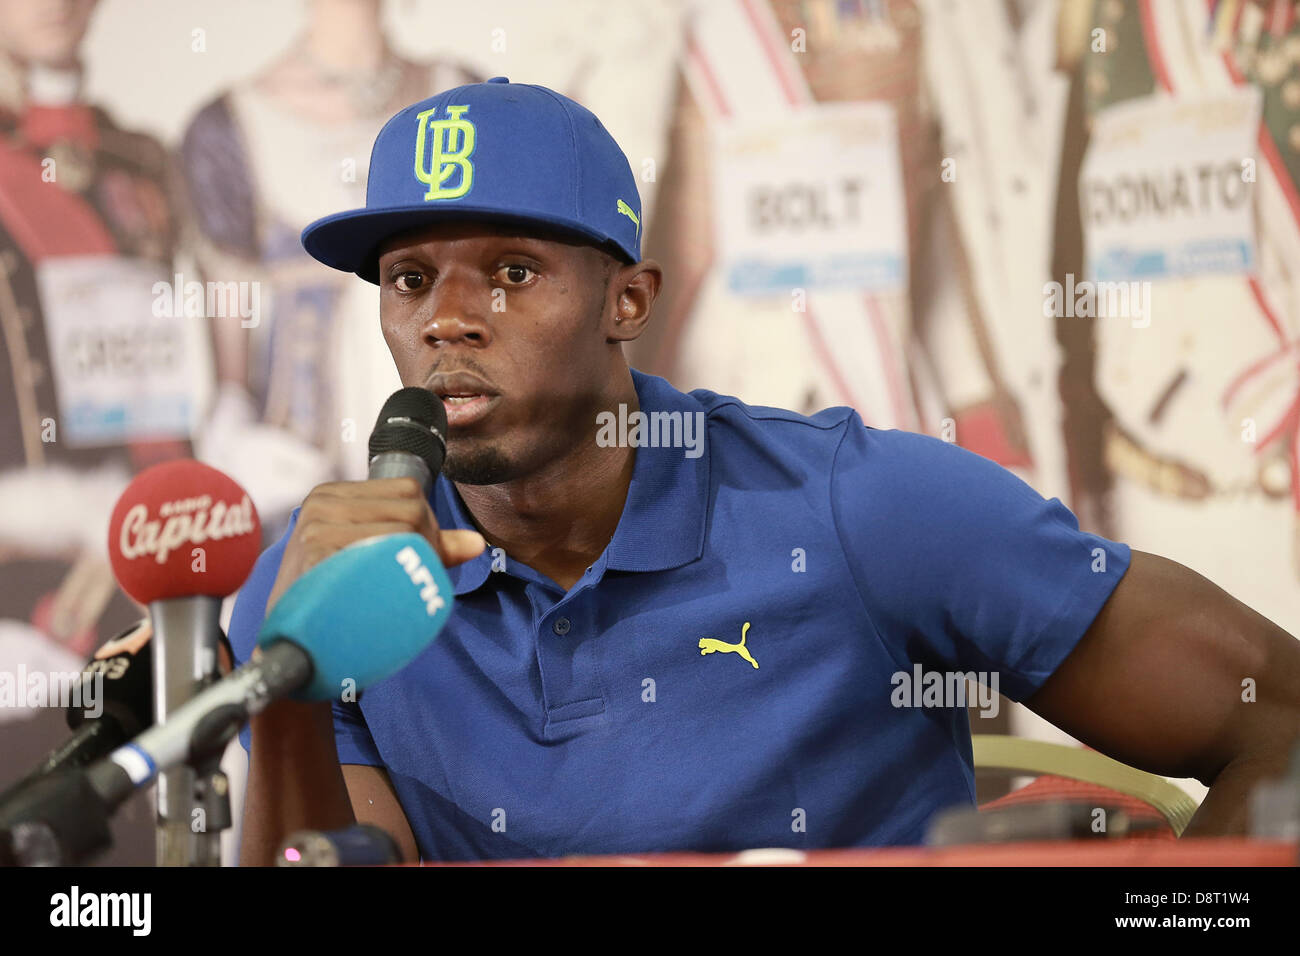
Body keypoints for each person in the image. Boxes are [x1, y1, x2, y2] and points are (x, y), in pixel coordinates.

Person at [229, 76, 1300, 865]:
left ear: (628, 302)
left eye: (512, 271)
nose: (448, 320)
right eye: (410, 279)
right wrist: (288, 672)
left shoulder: (858, 506)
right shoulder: (324, 582)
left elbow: (1277, 719)